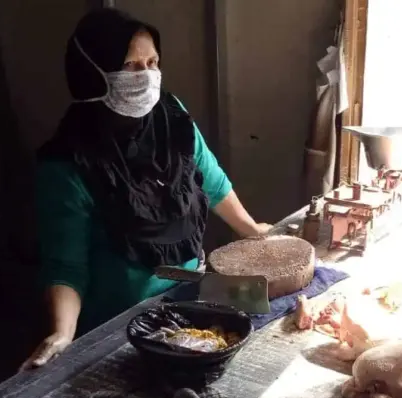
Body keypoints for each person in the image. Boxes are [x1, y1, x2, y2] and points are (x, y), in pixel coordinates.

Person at [23, 8, 271, 369]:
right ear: (91, 74)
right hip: (121, 318)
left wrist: (253, 231)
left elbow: (212, 181)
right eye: (131, 66)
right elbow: (65, 266)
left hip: (190, 284)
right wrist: (63, 333)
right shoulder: (66, 163)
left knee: (270, 306)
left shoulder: (171, 116)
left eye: (153, 63)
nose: (147, 77)